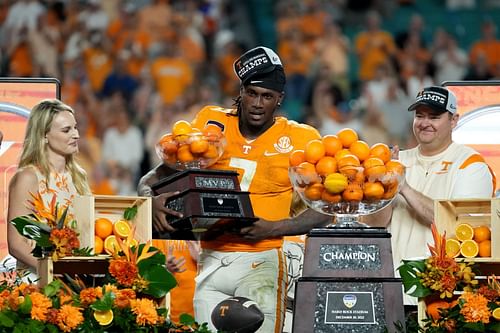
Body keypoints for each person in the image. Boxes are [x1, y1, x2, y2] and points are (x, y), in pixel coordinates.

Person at [137, 46, 330, 332]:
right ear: (241, 91)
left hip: (262, 259)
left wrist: (274, 228)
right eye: (251, 93)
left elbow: (326, 210)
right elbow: (154, 176)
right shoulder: (211, 124)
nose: (257, 103)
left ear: (279, 100)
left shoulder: (300, 138)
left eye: (267, 96)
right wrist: (148, 200)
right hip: (210, 258)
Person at [385, 86, 495, 302]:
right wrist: (382, 188)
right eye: (419, 115)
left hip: (443, 293)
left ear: (453, 120)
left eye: (434, 116)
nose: (424, 122)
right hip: (392, 288)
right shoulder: (397, 162)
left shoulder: (471, 164)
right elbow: (375, 225)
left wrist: (403, 187)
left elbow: (456, 227)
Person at [7, 99, 91, 276]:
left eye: (75, 127)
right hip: (37, 284)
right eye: (66, 130)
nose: (76, 135)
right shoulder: (28, 177)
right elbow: (16, 243)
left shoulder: (79, 176)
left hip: (76, 281)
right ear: (44, 135)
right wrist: (55, 272)